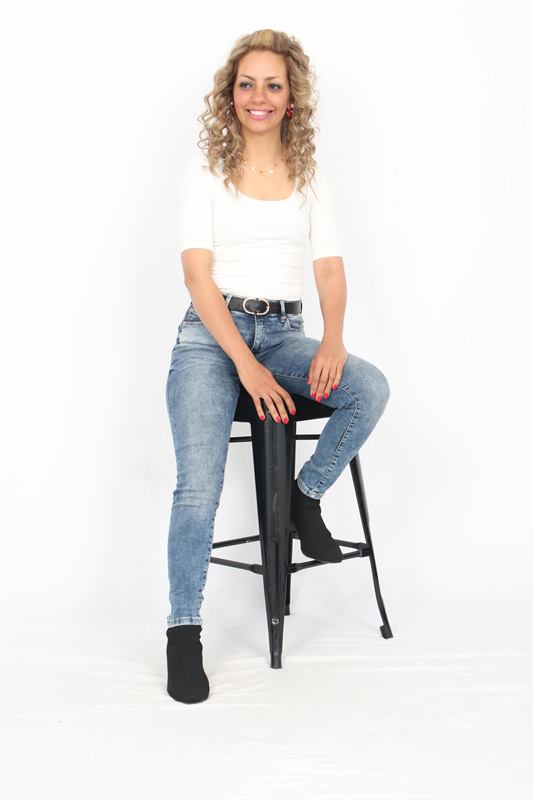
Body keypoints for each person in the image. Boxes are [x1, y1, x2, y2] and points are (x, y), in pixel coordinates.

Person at [165, 30, 391, 704]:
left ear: (291, 98)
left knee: (367, 387)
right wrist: (246, 366)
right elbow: (197, 278)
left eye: (272, 85)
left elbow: (329, 267)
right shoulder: (204, 174)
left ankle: (303, 496)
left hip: (284, 333)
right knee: (197, 489)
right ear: (230, 95)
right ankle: (183, 632)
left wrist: (332, 339)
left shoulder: (309, 177)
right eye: (246, 84)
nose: (257, 96)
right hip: (211, 339)